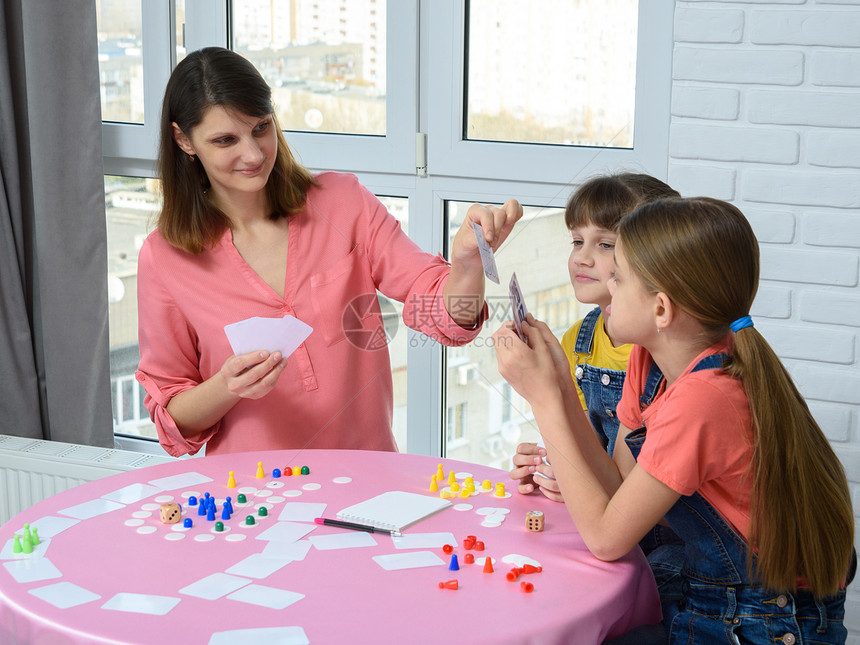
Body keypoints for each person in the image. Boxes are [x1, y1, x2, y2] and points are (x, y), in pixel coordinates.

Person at [494, 197, 854, 643]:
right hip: (713, 591)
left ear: (661, 309)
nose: (605, 281)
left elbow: (608, 540)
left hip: (761, 618)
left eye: (618, 276)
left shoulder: (705, 398)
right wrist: (563, 389)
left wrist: (542, 401)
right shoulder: (650, 362)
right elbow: (618, 491)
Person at [135, 47, 522, 457]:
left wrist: (466, 264)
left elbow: (446, 317)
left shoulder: (343, 203)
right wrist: (226, 386)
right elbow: (174, 421)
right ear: (184, 140)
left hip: (367, 487)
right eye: (226, 140)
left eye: (262, 128)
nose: (253, 154)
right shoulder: (164, 258)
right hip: (251, 499)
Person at [509, 174, 679, 502]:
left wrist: (577, 482)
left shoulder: (667, 353)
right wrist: (550, 468)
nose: (582, 258)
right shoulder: (578, 342)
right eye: (577, 241)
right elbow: (588, 453)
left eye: (604, 244)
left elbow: (625, 492)